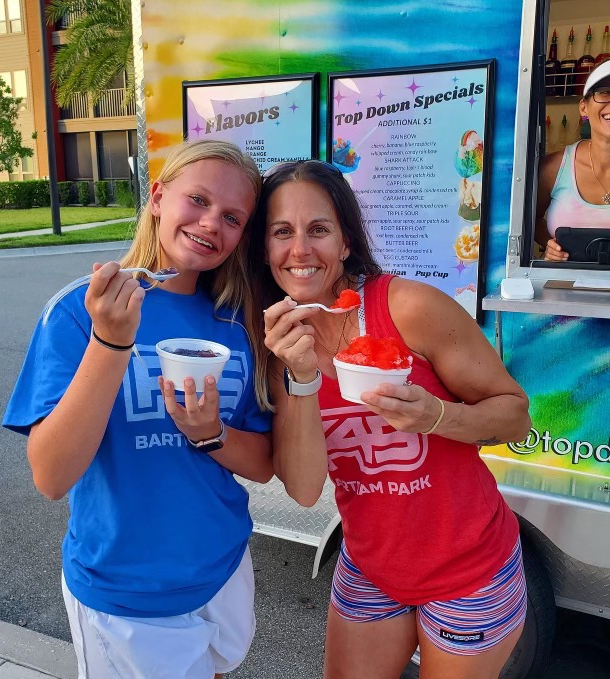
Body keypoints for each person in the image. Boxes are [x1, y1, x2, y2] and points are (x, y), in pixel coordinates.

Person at [248, 160, 532, 679]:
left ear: (346, 242)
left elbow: (515, 418)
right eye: (281, 232)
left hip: (469, 567)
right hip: (371, 565)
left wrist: (437, 416)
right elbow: (307, 489)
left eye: (319, 230)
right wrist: (303, 377)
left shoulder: (407, 308)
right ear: (264, 249)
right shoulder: (278, 346)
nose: (300, 250)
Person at [3, 139, 273, 679]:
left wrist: (211, 431)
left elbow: (263, 465)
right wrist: (111, 342)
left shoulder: (239, 322)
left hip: (222, 568)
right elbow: (52, 476)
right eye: (197, 200)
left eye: (232, 216)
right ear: (157, 197)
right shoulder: (80, 312)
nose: (210, 223)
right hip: (126, 589)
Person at [536, 60, 610, 261]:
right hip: (564, 288)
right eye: (604, 92)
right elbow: (528, 220)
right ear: (584, 107)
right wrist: (549, 244)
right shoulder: (554, 168)